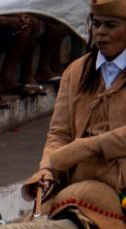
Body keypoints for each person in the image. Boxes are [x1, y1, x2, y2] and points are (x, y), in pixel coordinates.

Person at [25, 1, 126, 204]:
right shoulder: (76, 71)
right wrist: (48, 168)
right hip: (76, 182)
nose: (100, 32)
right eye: (96, 24)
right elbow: (59, 133)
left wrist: (90, 146)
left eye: (110, 25)